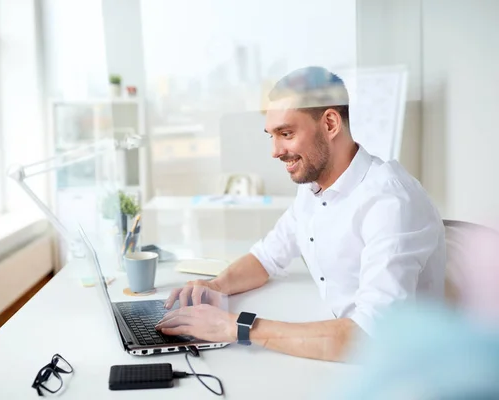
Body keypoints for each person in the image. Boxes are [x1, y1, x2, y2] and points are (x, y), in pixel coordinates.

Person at [155, 66, 446, 362]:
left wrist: (235, 327)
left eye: (286, 133)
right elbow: (266, 257)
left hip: (403, 369)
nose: (275, 151)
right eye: (271, 135)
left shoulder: (390, 202)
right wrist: (215, 286)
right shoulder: (313, 187)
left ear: (330, 124)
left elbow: (368, 337)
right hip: (337, 348)